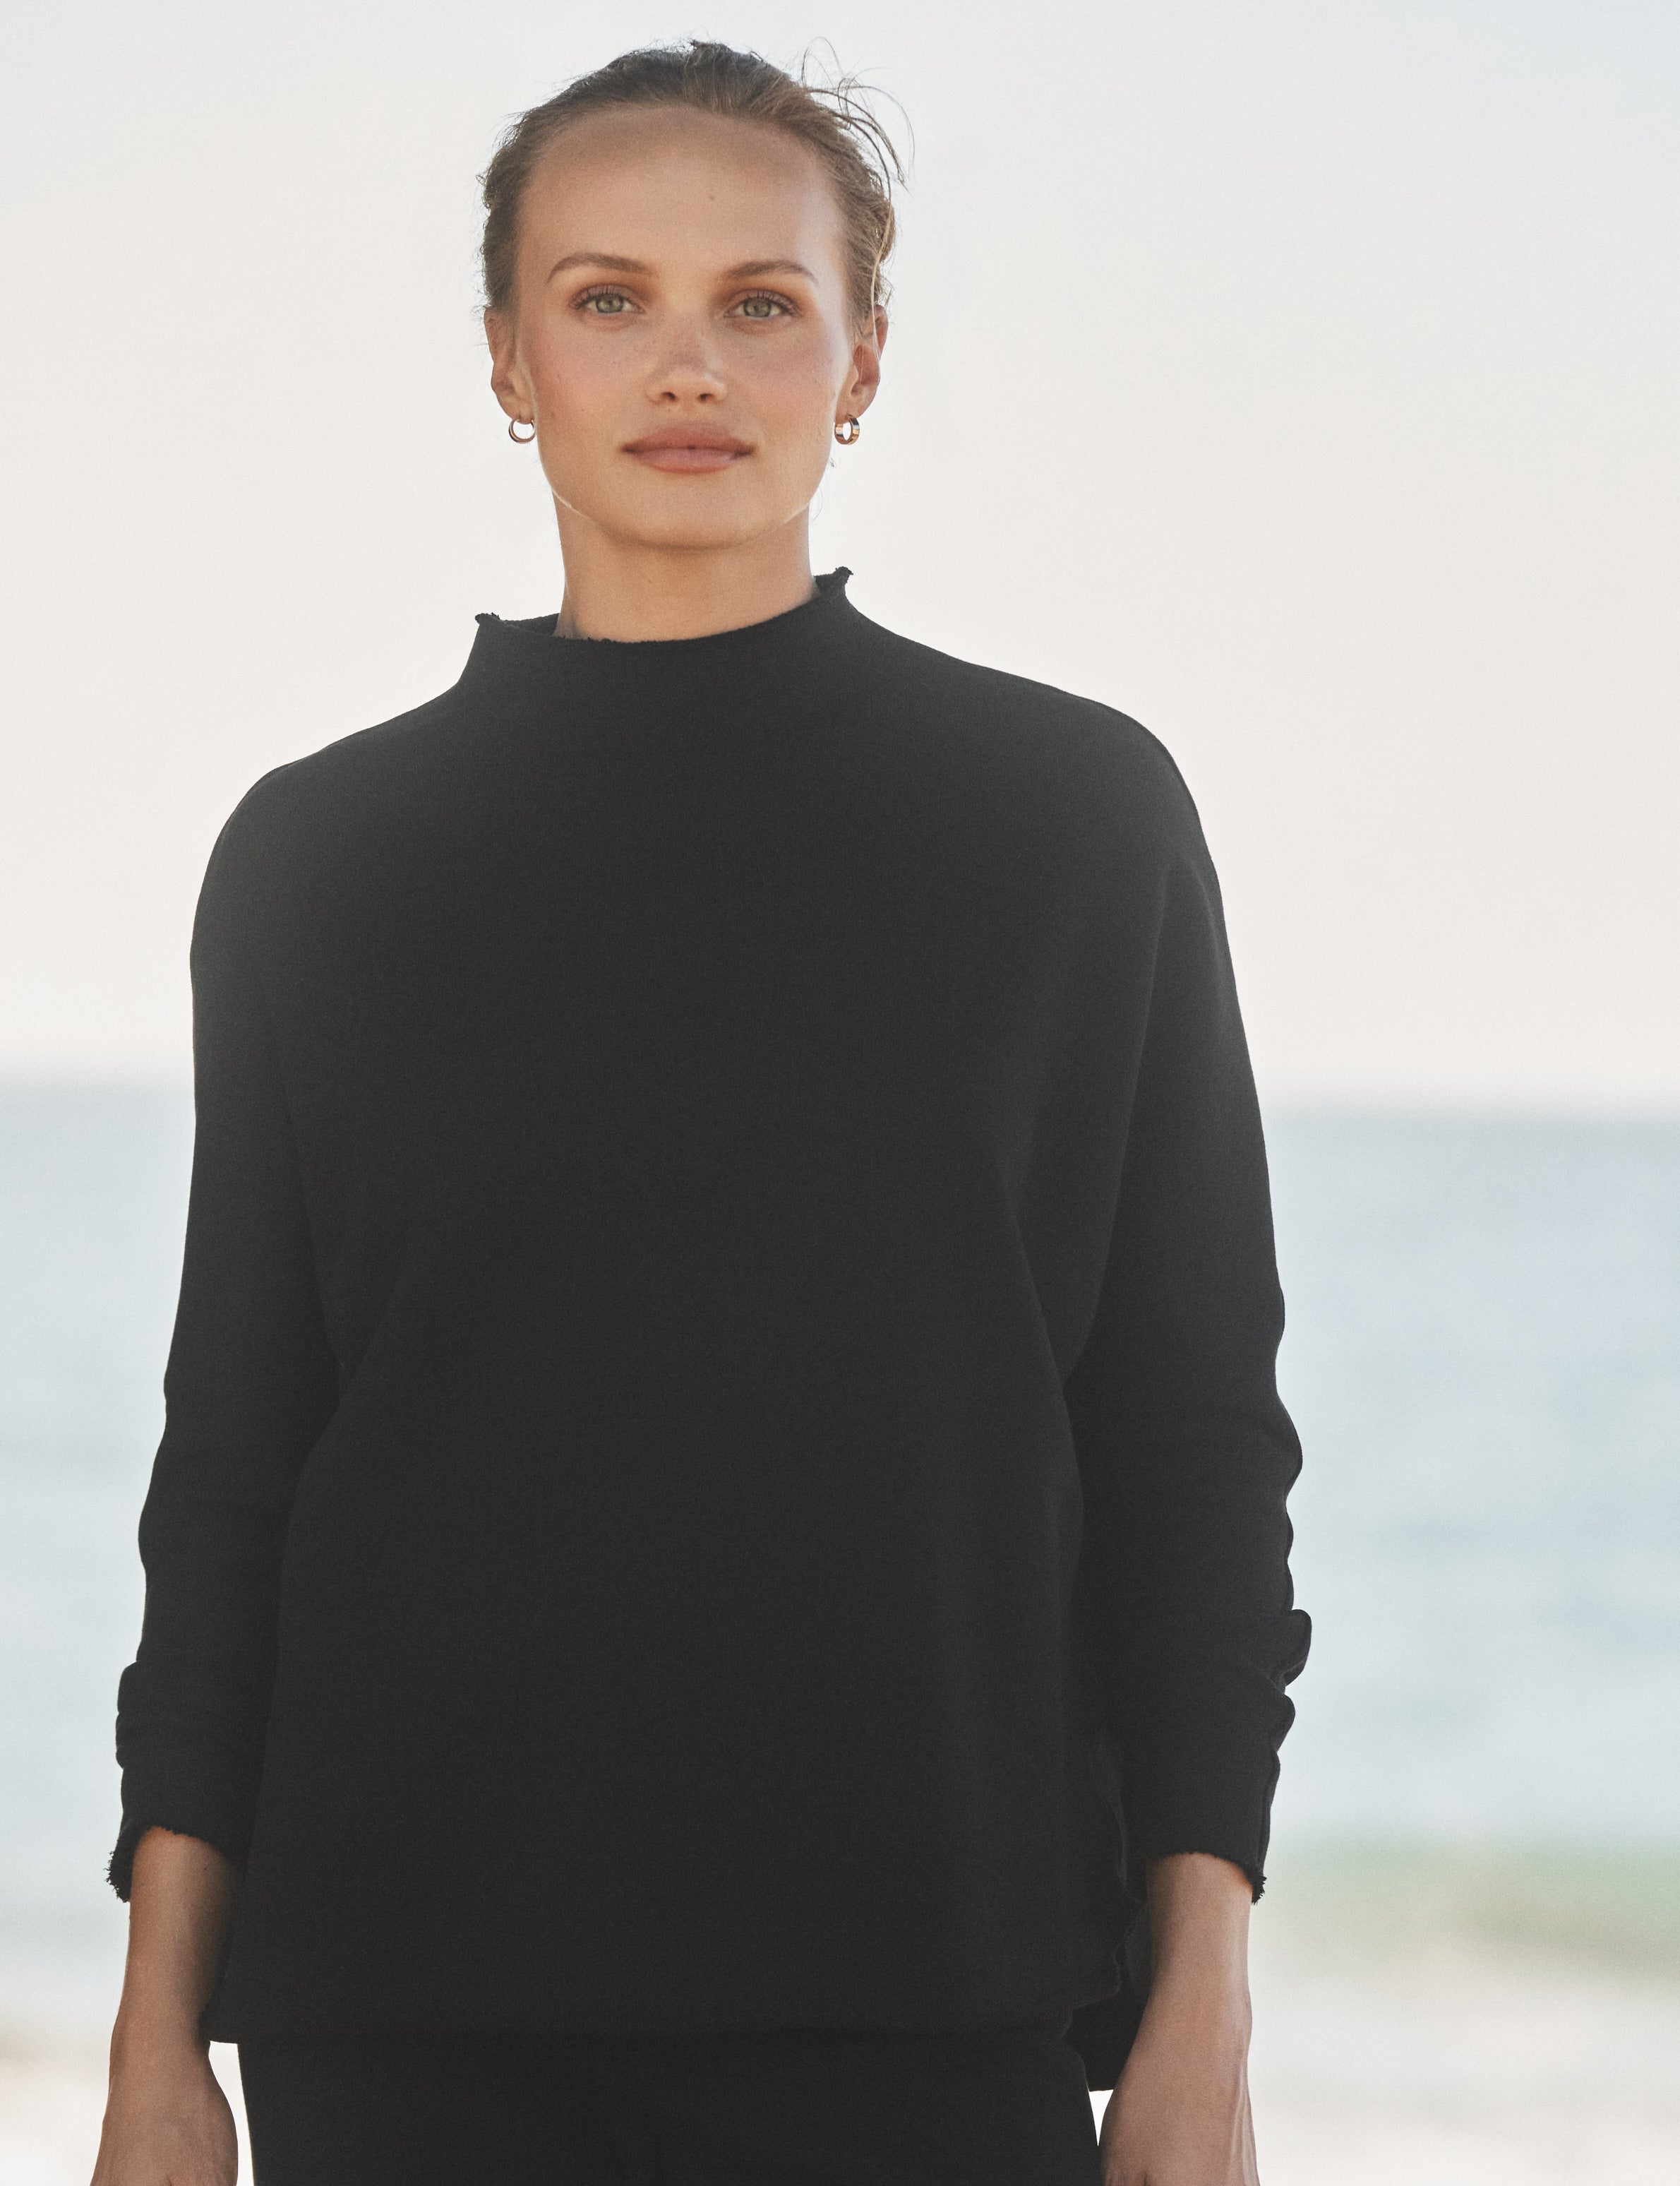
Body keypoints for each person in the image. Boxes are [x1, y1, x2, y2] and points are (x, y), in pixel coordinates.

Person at [91, 40, 1309, 2186]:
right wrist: (154, 2047)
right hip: (402, 2021)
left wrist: (1200, 2002)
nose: (686, 364)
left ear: (857, 361)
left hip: (930, 2006)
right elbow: (240, 1472)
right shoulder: (323, 857)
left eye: (759, 301)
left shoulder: (1067, 824)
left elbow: (1188, 1437)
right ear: (504, 358)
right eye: (604, 296)